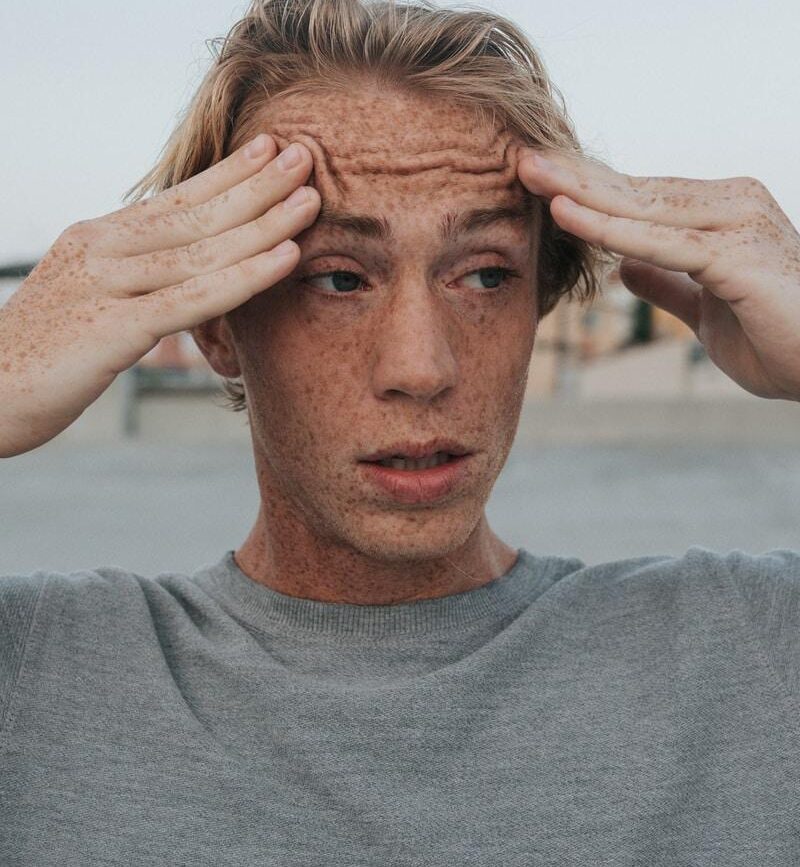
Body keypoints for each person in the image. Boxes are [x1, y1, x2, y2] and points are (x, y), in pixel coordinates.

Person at [2, 0, 799, 862]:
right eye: (340, 279)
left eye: (486, 273)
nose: (422, 368)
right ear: (218, 322)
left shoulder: (753, 652)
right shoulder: (39, 674)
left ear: (541, 299)